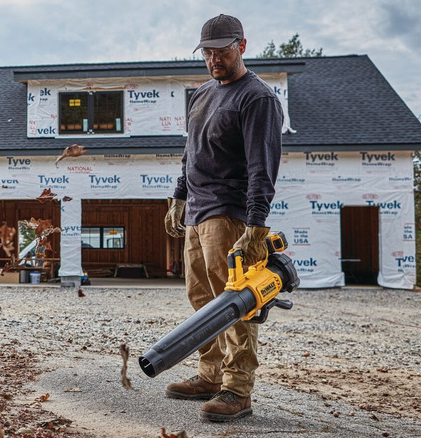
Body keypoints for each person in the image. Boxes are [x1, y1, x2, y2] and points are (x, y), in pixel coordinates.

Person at [164, 13, 283, 422]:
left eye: (223, 52)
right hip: (197, 213)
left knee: (235, 303)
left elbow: (262, 167)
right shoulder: (202, 94)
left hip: (229, 215)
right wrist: (179, 195)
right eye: (208, 53)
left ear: (242, 47)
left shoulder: (257, 98)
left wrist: (256, 225)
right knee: (202, 302)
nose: (214, 60)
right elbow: (190, 152)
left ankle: (237, 390)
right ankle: (210, 375)